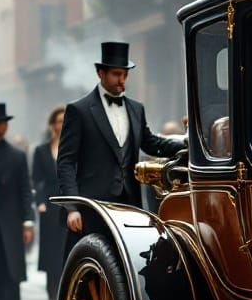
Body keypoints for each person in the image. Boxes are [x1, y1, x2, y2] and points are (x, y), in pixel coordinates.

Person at [57, 42, 187, 255]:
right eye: (116, 74)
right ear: (101, 73)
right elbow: (66, 162)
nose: (122, 80)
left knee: (124, 266)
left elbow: (152, 143)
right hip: (92, 208)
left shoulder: (136, 109)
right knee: (89, 264)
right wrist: (72, 207)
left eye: (125, 74)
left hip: (129, 205)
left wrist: (185, 143)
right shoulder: (78, 110)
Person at [0, 103, 36, 300]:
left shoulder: (17, 155)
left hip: (10, 230)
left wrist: (28, 221)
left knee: (12, 283)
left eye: (3, 122)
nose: (1, 126)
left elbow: (25, 191)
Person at [32, 105, 68, 300]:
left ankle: (65, 289)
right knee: (50, 250)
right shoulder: (40, 150)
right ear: (52, 125)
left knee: (65, 246)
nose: (60, 125)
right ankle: (52, 290)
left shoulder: (72, 149)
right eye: (58, 122)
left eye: (64, 121)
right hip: (48, 205)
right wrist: (39, 202)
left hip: (67, 203)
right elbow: (36, 180)